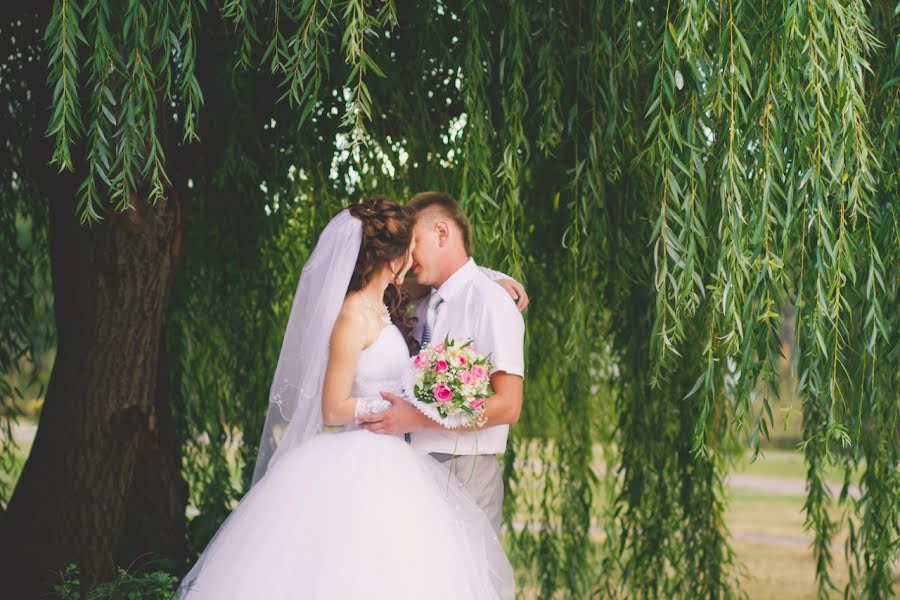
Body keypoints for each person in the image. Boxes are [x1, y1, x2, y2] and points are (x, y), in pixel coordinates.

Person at [175, 198, 514, 600]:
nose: (413, 258)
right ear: (392, 257)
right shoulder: (353, 314)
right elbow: (332, 407)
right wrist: (389, 412)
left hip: (403, 458)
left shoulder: (390, 307)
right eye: (408, 247)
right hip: (364, 455)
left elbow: (458, 277)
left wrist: (494, 280)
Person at [359, 192, 526, 534]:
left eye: (413, 243)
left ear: (442, 233)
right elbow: (370, 279)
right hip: (411, 470)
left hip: (464, 470)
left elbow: (509, 405)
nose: (406, 256)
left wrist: (416, 419)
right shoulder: (423, 303)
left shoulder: (491, 302)